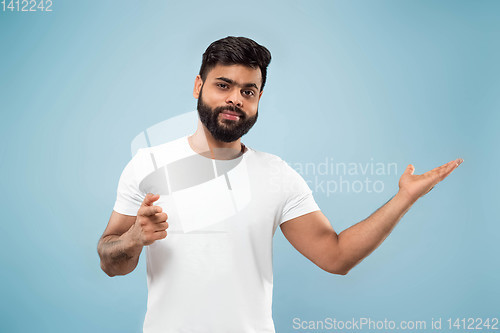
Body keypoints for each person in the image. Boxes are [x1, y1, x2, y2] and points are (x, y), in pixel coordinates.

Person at [97, 36, 463, 333]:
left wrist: (404, 198)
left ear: (258, 99)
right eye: (223, 85)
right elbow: (111, 262)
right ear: (198, 86)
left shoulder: (276, 175)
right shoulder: (148, 165)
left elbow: (336, 257)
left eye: (248, 91)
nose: (234, 99)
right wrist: (133, 238)